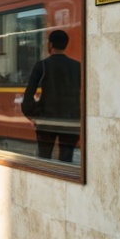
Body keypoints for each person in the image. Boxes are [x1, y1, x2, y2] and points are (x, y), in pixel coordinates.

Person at [20, 29, 81, 162]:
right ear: (65, 44)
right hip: (72, 122)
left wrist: (34, 115)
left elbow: (28, 97)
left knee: (44, 159)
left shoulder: (41, 66)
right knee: (66, 160)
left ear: (50, 44)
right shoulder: (78, 67)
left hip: (46, 122)